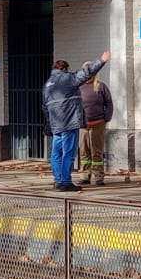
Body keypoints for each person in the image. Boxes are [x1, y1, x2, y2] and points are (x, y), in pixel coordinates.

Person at [43, 51, 110, 192]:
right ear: (65, 69)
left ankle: (58, 180)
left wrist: (49, 125)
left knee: (56, 153)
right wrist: (102, 60)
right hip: (69, 123)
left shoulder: (48, 84)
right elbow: (87, 72)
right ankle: (66, 182)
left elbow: (45, 107)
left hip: (56, 125)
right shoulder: (68, 78)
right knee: (68, 152)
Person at [78, 62, 114, 186]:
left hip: (98, 124)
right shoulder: (79, 87)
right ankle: (84, 176)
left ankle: (99, 177)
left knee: (96, 152)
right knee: (84, 152)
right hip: (83, 126)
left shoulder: (100, 86)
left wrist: (106, 118)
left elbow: (109, 103)